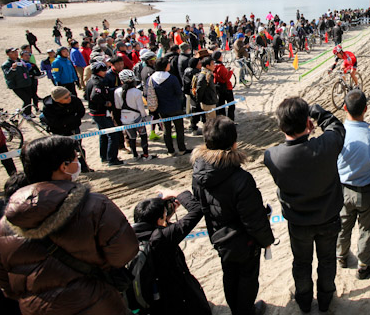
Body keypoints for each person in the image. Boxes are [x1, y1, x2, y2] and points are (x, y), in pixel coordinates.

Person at [0, 136, 138, 315]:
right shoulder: (94, 205)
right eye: (76, 157)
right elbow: (125, 252)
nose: (78, 161)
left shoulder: (4, 224)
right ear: (64, 166)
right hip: (95, 303)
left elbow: (3, 280)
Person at [264, 98, 345, 313]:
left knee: (301, 263)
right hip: (328, 217)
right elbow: (337, 126)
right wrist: (318, 113)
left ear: (281, 127)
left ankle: (304, 300)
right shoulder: (326, 145)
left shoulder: (272, 156)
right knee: (327, 260)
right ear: (308, 123)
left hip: (298, 221)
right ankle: (326, 299)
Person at [192, 116, 274, 315]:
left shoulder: (197, 173)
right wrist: (266, 241)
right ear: (234, 143)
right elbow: (253, 219)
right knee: (247, 278)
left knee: (229, 274)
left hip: (219, 237)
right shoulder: (241, 178)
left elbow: (202, 204)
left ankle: (236, 309)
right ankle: (245, 311)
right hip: (244, 242)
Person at [335, 90, 370, 279]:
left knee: (343, 225)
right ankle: (365, 264)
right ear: (366, 109)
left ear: (344, 108)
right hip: (366, 190)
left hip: (342, 189)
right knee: (367, 229)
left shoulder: (336, 135)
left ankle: (341, 256)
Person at [131, 189, 210, 315]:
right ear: (158, 220)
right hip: (176, 296)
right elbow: (197, 209)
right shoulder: (162, 238)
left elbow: (155, 225)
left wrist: (165, 216)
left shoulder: (129, 236)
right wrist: (177, 193)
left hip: (153, 297)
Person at [41, 86, 92, 172]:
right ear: (58, 99)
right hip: (59, 132)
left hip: (74, 128)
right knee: (62, 151)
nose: (69, 98)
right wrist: (70, 119)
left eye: (69, 95)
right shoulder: (48, 107)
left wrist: (71, 120)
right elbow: (54, 122)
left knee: (78, 148)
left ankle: (83, 167)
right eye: (66, 97)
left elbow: (81, 111)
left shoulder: (74, 100)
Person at [86, 61, 123, 166]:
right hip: (100, 112)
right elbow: (94, 96)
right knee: (113, 134)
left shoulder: (92, 80)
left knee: (103, 135)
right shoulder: (97, 82)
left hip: (96, 112)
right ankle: (112, 158)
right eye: (103, 70)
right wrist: (105, 103)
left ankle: (105, 156)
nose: (105, 72)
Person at [151, 57, 190, 156]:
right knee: (179, 129)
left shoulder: (152, 79)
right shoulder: (172, 78)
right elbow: (179, 93)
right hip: (175, 107)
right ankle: (181, 149)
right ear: (165, 66)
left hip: (162, 108)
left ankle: (170, 150)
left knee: (166, 130)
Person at [114, 69, 154, 160]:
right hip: (137, 118)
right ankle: (146, 155)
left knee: (131, 138)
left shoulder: (117, 91)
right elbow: (141, 107)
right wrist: (144, 117)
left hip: (125, 119)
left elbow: (117, 106)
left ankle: (135, 155)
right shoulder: (136, 92)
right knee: (143, 135)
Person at [2, 47, 35, 114]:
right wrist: (13, 69)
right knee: (26, 99)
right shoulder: (6, 64)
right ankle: (26, 113)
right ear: (8, 54)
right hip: (17, 85)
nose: (16, 53)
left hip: (26, 83)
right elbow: (8, 76)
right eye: (13, 52)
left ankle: (28, 112)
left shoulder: (20, 61)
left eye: (16, 52)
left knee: (29, 99)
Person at [213, 51, 236, 120]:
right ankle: (230, 120)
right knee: (231, 105)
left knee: (221, 105)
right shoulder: (221, 67)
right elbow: (226, 78)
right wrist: (231, 71)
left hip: (218, 87)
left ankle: (223, 120)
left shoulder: (214, 66)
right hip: (226, 87)